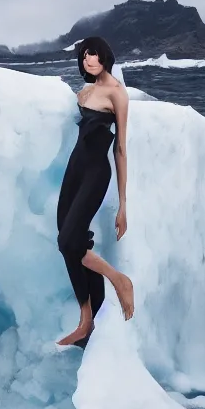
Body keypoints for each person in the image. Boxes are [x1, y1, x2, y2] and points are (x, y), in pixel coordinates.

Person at [55, 36, 134, 347]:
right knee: (67, 244)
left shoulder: (117, 94)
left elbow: (121, 150)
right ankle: (86, 321)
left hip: (95, 173)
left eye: (94, 55)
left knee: (68, 241)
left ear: (105, 57)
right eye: (85, 55)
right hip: (73, 170)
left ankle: (119, 279)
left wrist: (123, 204)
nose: (89, 60)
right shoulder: (86, 91)